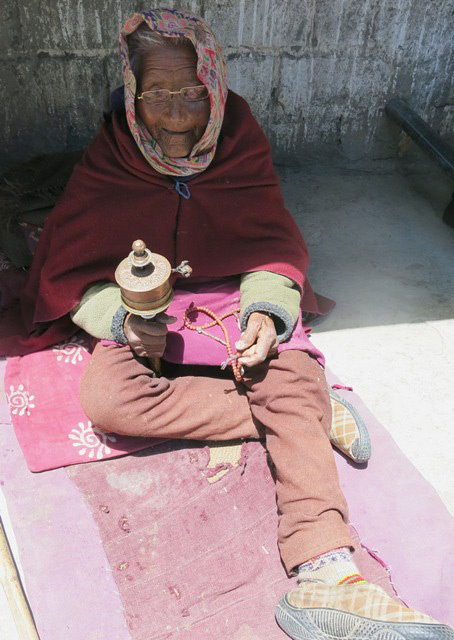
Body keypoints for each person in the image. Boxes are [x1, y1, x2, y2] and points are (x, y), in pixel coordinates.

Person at [5, 8, 452, 640]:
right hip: (148, 311)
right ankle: (307, 414)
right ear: (133, 94)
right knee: (109, 401)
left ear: (213, 85)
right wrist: (122, 321)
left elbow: (272, 242)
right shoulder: (114, 153)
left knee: (282, 364)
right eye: (157, 94)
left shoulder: (239, 137)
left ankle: (329, 574)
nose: (177, 112)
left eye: (192, 91)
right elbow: (69, 265)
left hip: (231, 297)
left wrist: (268, 310)